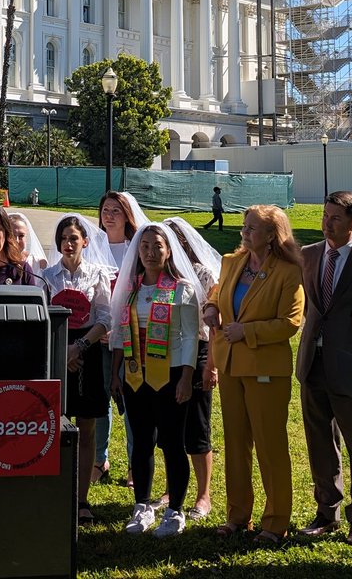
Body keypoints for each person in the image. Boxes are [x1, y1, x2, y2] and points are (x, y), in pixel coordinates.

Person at [205, 204, 304, 543]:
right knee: (235, 443)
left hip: (265, 369)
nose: (244, 233)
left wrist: (246, 332)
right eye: (244, 226)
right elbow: (217, 294)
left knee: (269, 444)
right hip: (230, 364)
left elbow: (290, 323)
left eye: (252, 229)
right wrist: (210, 308)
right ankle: (237, 516)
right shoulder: (232, 261)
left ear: (272, 236)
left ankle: (275, 523)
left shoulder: (289, 271)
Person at [109, 222, 203, 538]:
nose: (150, 253)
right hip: (136, 375)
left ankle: (175, 510)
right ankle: (142, 505)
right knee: (141, 443)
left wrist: (187, 378)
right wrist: (115, 373)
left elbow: (191, 336)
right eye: (145, 247)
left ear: (168, 251)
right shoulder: (130, 289)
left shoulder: (182, 288)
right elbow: (122, 333)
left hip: (171, 373)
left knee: (173, 443)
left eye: (157, 246)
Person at [296, 191, 352, 548]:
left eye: (335, 219)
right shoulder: (309, 255)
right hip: (311, 363)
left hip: (351, 365)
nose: (326, 224)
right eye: (325, 216)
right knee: (319, 440)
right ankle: (326, 511)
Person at [42, 214, 114, 526]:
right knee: (55, 426)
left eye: (74, 238)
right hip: (55, 349)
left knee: (86, 427)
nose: (68, 243)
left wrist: (79, 347)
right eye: (63, 238)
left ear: (85, 241)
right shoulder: (46, 276)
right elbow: (41, 316)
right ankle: (56, 493)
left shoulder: (97, 274)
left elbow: (106, 317)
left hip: (89, 349)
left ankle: (81, 499)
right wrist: (62, 351)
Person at [164, 216, 223, 522]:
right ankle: (171, 487)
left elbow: (214, 323)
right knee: (169, 425)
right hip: (166, 354)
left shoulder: (204, 273)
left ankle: (203, 494)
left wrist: (210, 365)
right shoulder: (161, 274)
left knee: (197, 426)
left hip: (199, 351)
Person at [95, 191, 150, 488]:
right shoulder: (93, 244)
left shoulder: (137, 249)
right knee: (100, 397)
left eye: (117, 210)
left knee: (132, 399)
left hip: (132, 338)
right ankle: (98, 460)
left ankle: (134, 464)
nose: (110, 215)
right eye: (106, 209)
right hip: (98, 337)